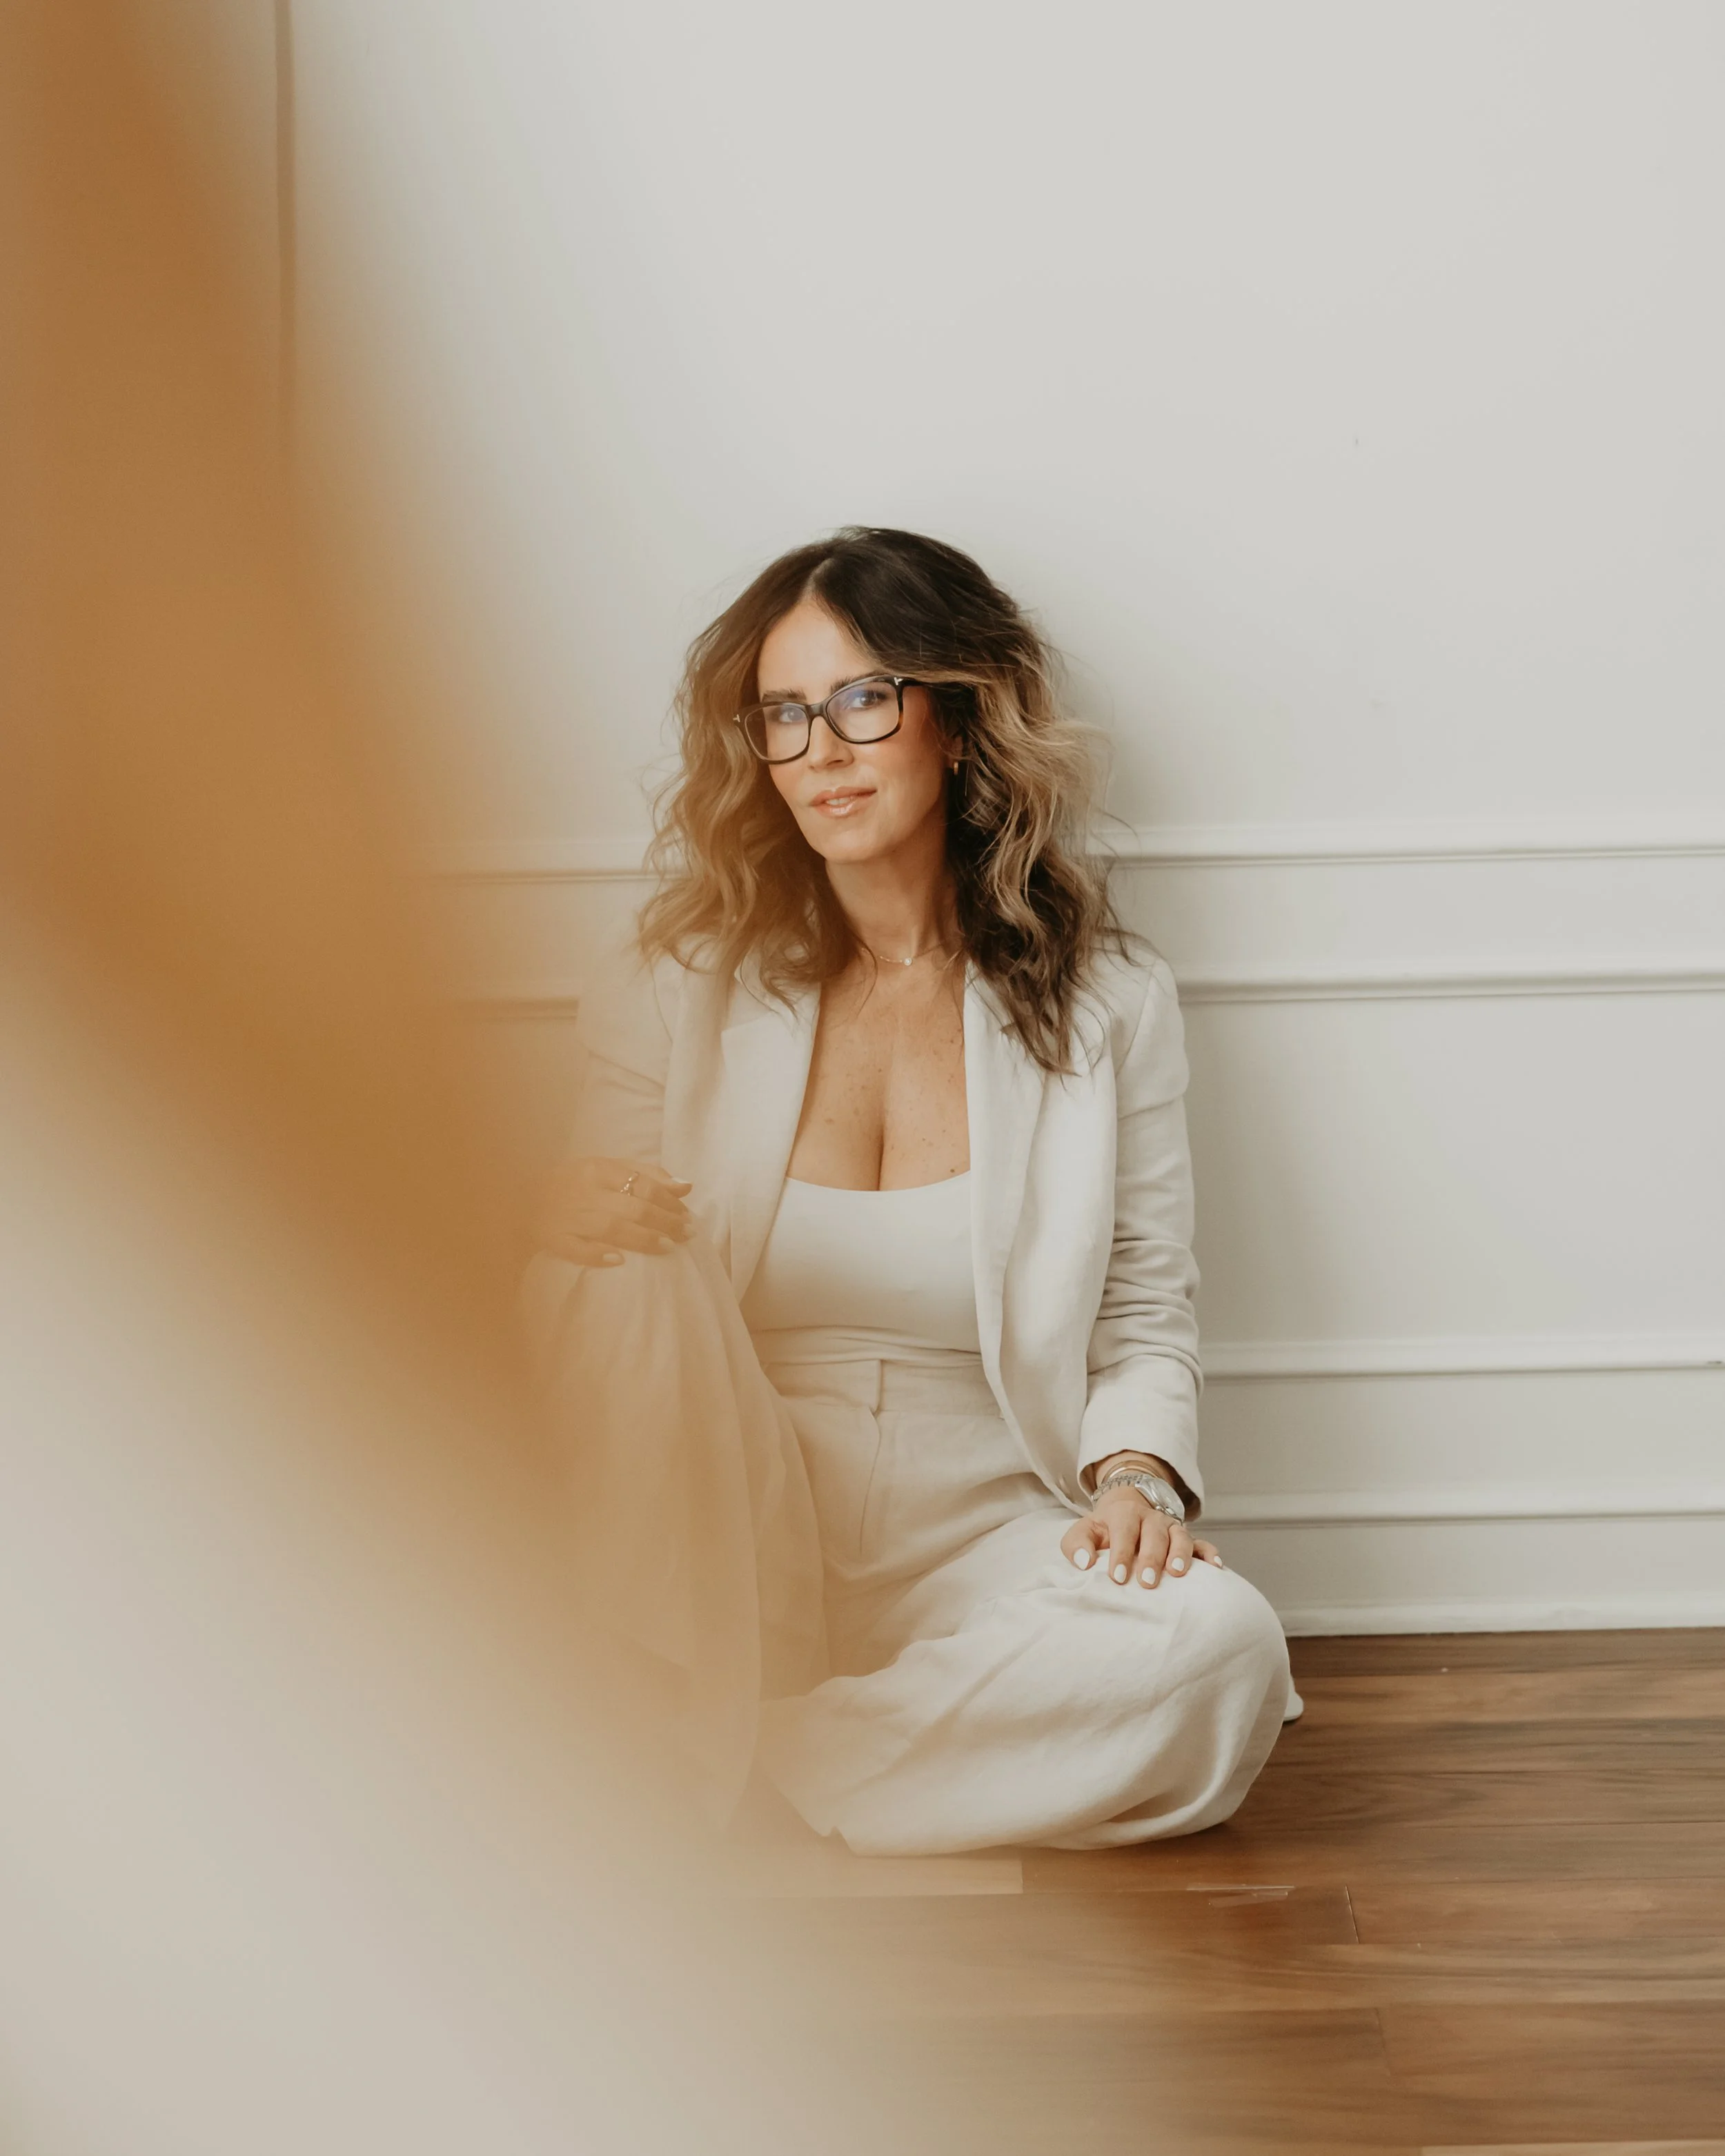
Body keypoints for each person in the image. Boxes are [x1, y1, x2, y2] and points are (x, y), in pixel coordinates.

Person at [528, 527, 1299, 1857]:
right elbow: (603, 1290)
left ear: (956, 720)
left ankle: (748, 1761)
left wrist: (1134, 1482)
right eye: (783, 714)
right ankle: (774, 1726)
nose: (820, 748)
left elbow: (1141, 1302)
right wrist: (550, 1213)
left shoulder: (1111, 1002)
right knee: (619, 1257)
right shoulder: (676, 981)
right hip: (730, 1514)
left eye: (862, 698)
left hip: (989, 1526)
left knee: (1222, 1652)